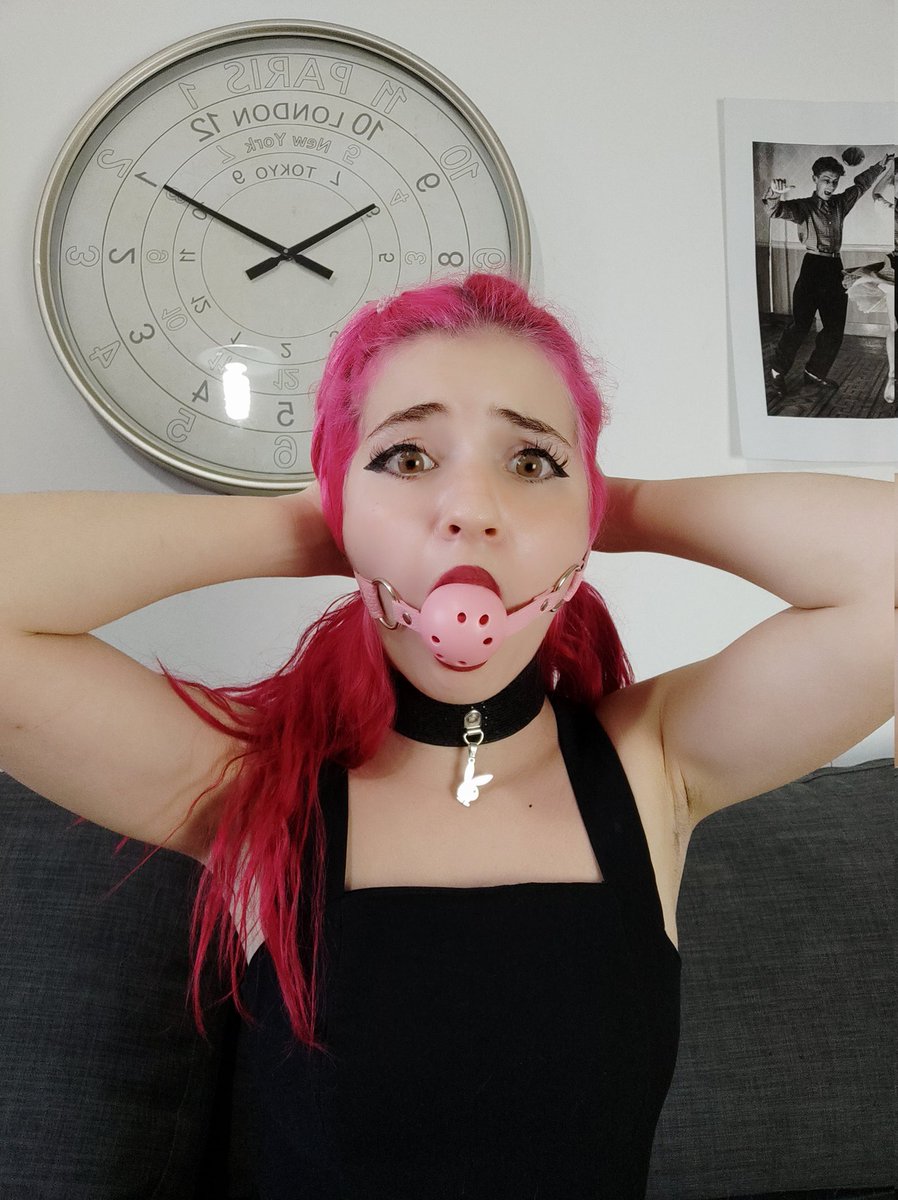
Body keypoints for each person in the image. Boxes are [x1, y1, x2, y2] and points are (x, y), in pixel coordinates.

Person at [0, 273, 891, 1200]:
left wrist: (606, 507)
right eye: (407, 456)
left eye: (531, 462)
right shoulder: (247, 783)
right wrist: (308, 520)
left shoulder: (654, 764)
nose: (469, 508)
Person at [763, 150, 894, 394]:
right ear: (815, 179)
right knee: (800, 325)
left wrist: (881, 165)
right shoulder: (803, 207)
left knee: (834, 327)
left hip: (835, 268)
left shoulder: (840, 203)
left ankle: (815, 372)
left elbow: (861, 184)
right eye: (826, 180)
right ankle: (777, 371)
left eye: (834, 181)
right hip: (812, 267)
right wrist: (774, 193)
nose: (831, 186)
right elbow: (774, 210)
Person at [842, 166, 896, 402]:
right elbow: (876, 194)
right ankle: (892, 375)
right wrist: (891, 171)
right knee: (894, 325)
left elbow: (876, 194)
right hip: (894, 273)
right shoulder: (890, 210)